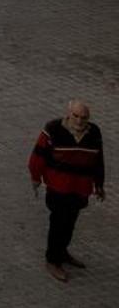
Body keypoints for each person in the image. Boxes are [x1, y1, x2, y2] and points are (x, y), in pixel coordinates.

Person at [29, 101, 105, 281]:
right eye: (76, 116)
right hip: (58, 188)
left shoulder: (94, 132)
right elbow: (38, 156)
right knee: (58, 224)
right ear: (68, 114)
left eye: (84, 117)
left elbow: (98, 160)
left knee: (70, 222)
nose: (79, 121)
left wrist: (99, 185)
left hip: (80, 189)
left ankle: (62, 252)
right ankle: (52, 260)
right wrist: (36, 177)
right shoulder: (53, 129)